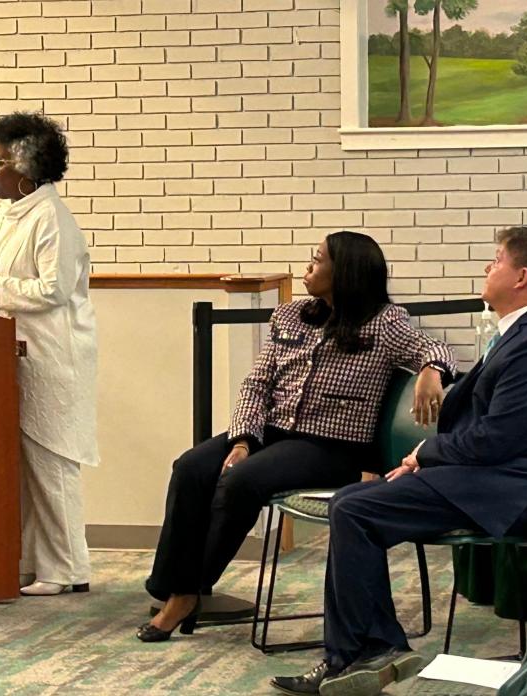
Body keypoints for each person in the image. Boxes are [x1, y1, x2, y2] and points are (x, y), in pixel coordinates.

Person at [274, 226, 527, 696]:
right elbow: (485, 430)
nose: (488, 268)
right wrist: (426, 463)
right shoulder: (525, 331)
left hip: (514, 491)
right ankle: (369, 649)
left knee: (354, 509)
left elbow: (496, 440)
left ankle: (362, 651)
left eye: (497, 260)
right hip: (488, 477)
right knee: (354, 503)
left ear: (522, 277)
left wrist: (425, 455)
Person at [137, 230, 458, 643]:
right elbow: (257, 383)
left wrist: (431, 371)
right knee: (192, 467)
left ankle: (188, 593)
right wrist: (242, 441)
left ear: (345, 272)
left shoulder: (384, 322)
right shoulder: (290, 316)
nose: (308, 266)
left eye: (318, 260)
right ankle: (170, 586)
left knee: (242, 481)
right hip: (270, 432)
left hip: (330, 446)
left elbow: (434, 348)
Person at [0, 111, 98, 597]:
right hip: (10, 351)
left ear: (28, 167)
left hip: (51, 354)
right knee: (21, 465)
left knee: (50, 461)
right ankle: (31, 561)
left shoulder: (53, 219)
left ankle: (66, 568)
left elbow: (54, 290)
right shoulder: (1, 217)